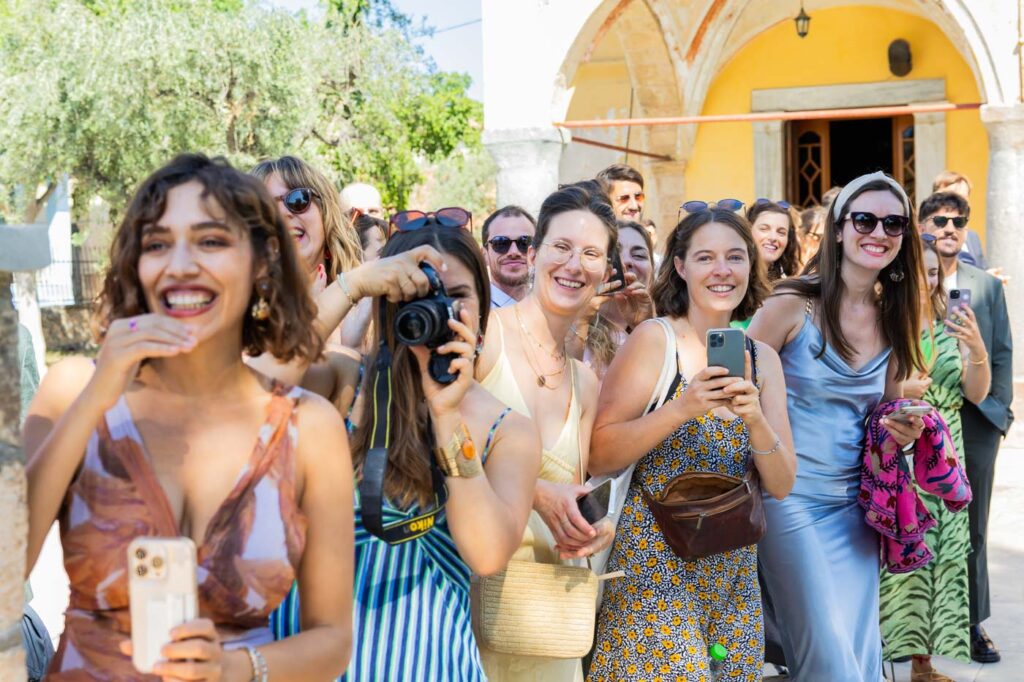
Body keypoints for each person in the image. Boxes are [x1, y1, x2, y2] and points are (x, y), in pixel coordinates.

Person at [23, 153, 354, 679]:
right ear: (138, 264)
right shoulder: (73, 392)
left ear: (262, 263)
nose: (179, 264)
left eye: (211, 241)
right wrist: (96, 399)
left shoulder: (309, 428)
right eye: (157, 244)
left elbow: (333, 640)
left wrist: (232, 667)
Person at [587, 207, 797, 681]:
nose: (722, 270)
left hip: (733, 575)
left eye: (735, 257)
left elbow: (782, 483)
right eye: (706, 257)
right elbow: (600, 451)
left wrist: (756, 418)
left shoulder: (763, 360)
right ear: (680, 266)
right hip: (655, 568)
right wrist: (683, 407)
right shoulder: (654, 340)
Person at [748, 171, 927, 682]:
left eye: (894, 224)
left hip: (857, 510)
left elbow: (885, 414)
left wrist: (903, 430)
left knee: (858, 651)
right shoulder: (788, 307)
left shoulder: (895, 315)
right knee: (827, 655)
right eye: (865, 219)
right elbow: (735, 392)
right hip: (789, 502)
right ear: (840, 229)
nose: (879, 232)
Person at [475, 184, 617, 682]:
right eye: (561, 247)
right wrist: (533, 492)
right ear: (534, 254)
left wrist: (588, 529)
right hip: (471, 603)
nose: (574, 264)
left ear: (605, 271)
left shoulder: (585, 381)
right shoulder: (483, 337)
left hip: (545, 619)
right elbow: (431, 447)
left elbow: (571, 494)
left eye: (592, 253)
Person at [879, 234, 990, 681]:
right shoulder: (884, 324)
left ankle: (923, 665)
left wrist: (978, 350)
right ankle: (883, 655)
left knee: (942, 556)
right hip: (900, 453)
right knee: (901, 555)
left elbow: (975, 393)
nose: (926, 278)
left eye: (932, 270)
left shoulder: (950, 325)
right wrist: (901, 391)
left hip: (946, 458)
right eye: (917, 269)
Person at [918, 190, 1013, 664]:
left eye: (960, 221)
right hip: (921, 418)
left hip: (973, 421)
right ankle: (916, 631)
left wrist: (1000, 412)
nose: (951, 228)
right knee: (917, 523)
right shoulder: (907, 280)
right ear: (923, 226)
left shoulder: (985, 284)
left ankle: (972, 623)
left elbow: (1001, 349)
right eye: (940, 219)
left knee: (971, 529)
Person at [250, 156, 366, 410]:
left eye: (298, 200)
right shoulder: (237, 318)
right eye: (264, 208)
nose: (282, 214)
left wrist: (355, 346)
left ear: (326, 214)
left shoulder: (370, 309)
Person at [568, 220, 655, 380]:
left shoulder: (666, 330)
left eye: (639, 255)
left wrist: (644, 326)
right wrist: (581, 321)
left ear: (652, 270)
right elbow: (564, 391)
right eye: (615, 254)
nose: (626, 262)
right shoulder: (568, 325)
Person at [481, 205, 536, 308]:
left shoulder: (553, 310)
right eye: (501, 243)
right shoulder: (474, 311)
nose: (514, 252)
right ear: (484, 255)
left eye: (524, 242)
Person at [931, 171, 987, 269]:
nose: (958, 203)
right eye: (953, 197)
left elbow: (982, 268)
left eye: (964, 198)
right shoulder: (927, 236)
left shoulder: (972, 236)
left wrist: (989, 279)